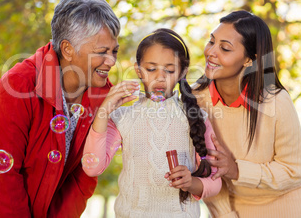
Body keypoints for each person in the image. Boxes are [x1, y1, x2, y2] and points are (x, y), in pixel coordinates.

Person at [0, 0, 120, 217]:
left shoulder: (103, 95)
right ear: (68, 49)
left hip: (39, 196)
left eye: (114, 50)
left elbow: (82, 176)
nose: (112, 61)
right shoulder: (18, 86)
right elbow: (5, 178)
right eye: (102, 52)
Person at [193, 10, 301, 217]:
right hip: (234, 206)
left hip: (291, 203)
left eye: (225, 48)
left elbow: (293, 170)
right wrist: (226, 215)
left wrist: (237, 170)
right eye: (211, 41)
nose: (211, 52)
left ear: (249, 60)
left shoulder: (276, 101)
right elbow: (202, 169)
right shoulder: (195, 100)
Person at [82, 28, 222, 217]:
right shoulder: (123, 117)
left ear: (182, 72)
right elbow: (92, 167)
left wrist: (192, 183)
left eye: (169, 70)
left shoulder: (197, 118)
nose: (160, 76)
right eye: (151, 69)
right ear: (138, 71)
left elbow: (216, 181)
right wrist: (104, 111)